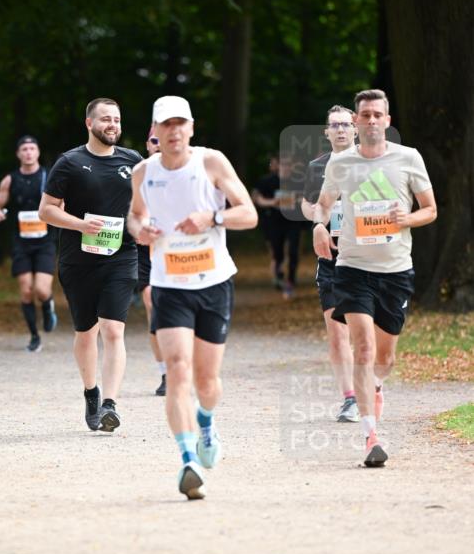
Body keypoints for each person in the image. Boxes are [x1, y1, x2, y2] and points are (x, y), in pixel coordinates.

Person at [128, 95, 258, 499]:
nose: (173, 131)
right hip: (169, 285)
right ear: (155, 131)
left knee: (206, 381)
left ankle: (205, 421)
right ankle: (187, 460)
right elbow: (135, 214)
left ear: (191, 128)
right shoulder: (143, 172)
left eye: (180, 123)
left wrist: (212, 217)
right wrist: (139, 229)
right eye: (166, 125)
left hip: (213, 282)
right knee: (178, 370)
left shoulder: (211, 163)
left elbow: (249, 213)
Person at [313, 89, 437, 467]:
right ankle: (371, 436)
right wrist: (318, 226)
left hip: (395, 270)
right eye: (364, 115)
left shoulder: (408, 158)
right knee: (363, 348)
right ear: (356, 120)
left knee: (385, 357)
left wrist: (407, 219)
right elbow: (323, 204)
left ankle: (377, 384)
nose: (370, 121)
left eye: (376, 115)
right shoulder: (341, 163)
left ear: (387, 120)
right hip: (352, 267)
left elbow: (430, 209)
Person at [39, 98, 142, 432]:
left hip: (122, 256)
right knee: (86, 332)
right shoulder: (70, 162)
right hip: (78, 259)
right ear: (89, 123)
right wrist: (81, 224)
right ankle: (91, 392)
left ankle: (110, 404)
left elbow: (147, 202)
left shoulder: (133, 161)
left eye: (117, 119)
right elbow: (46, 210)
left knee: (113, 329)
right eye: (105, 119)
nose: (112, 125)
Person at [302, 105, 360, 423]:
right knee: (338, 333)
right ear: (326, 132)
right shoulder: (317, 167)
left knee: (367, 333)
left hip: (367, 257)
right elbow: (309, 203)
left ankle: (371, 386)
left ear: (355, 129)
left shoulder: (371, 162)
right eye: (334, 125)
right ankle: (350, 398)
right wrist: (318, 219)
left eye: (345, 124)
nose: (340, 130)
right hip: (331, 257)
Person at [0, 135, 57, 353]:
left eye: (32, 148)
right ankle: (34, 336)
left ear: (38, 152)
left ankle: (47, 305)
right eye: (24, 149)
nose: (28, 152)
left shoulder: (48, 176)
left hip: (45, 242)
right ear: (18, 154)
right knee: (26, 291)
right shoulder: (10, 180)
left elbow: (61, 203)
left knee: (41, 290)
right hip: (21, 243)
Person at [137, 128, 166, 396]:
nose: (158, 145)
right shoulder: (137, 174)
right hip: (146, 251)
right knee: (151, 303)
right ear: (147, 145)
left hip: (179, 251)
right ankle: (165, 372)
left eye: (162, 140)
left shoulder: (188, 171)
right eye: (154, 141)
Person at [252, 153, 303, 299]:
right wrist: (271, 202)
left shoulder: (298, 181)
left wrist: (298, 200)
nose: (286, 167)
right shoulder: (267, 181)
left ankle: (291, 281)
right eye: (283, 164)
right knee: (277, 252)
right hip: (274, 222)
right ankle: (279, 276)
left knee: (293, 251)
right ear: (278, 165)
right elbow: (256, 197)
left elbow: (307, 196)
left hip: (293, 221)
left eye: (289, 165)